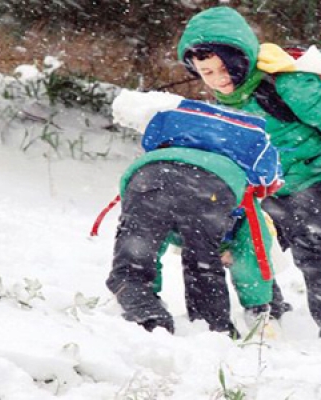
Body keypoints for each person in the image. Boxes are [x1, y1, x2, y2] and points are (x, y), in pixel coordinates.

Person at [177, 6, 321, 348]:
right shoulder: (225, 103)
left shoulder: (288, 83)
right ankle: (270, 309)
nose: (217, 78)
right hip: (277, 185)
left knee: (310, 246)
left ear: (240, 56)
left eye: (223, 66)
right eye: (206, 72)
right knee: (250, 237)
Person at [106, 93, 283, 337]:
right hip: (210, 189)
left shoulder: (176, 126)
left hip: (149, 175)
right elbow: (254, 258)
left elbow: (153, 230)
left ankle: (144, 312)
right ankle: (213, 329)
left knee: (135, 257)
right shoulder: (250, 207)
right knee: (202, 264)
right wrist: (260, 306)